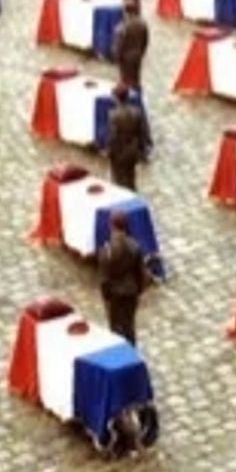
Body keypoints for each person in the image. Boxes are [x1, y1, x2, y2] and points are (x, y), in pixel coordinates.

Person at [98, 210, 149, 343]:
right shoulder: (135, 246)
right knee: (129, 324)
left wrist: (105, 296)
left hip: (115, 295)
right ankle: (132, 351)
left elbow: (104, 278)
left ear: (111, 226)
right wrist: (139, 290)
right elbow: (141, 273)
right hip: (131, 292)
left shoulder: (107, 251)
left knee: (115, 327)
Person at [106, 85, 147, 190]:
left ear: (116, 98)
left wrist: (109, 151)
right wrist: (141, 150)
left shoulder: (113, 115)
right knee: (131, 177)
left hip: (119, 153)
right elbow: (142, 133)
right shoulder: (137, 112)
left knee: (118, 179)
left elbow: (113, 136)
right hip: (132, 150)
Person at [112, 1, 149, 90]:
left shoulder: (122, 26)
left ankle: (128, 97)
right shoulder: (142, 24)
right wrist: (141, 52)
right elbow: (145, 41)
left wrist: (116, 57)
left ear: (125, 11)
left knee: (125, 81)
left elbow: (118, 45)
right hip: (137, 55)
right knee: (136, 79)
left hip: (125, 58)